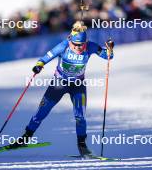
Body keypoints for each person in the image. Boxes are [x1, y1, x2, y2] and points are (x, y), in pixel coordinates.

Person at [10, 21, 114, 157]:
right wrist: (39, 65)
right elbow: (47, 56)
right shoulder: (64, 45)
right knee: (42, 111)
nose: (78, 47)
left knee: (80, 116)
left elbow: (108, 56)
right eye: (75, 44)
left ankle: (82, 146)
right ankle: (26, 137)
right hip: (58, 84)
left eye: (81, 44)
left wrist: (110, 49)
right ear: (70, 40)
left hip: (78, 85)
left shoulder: (90, 46)